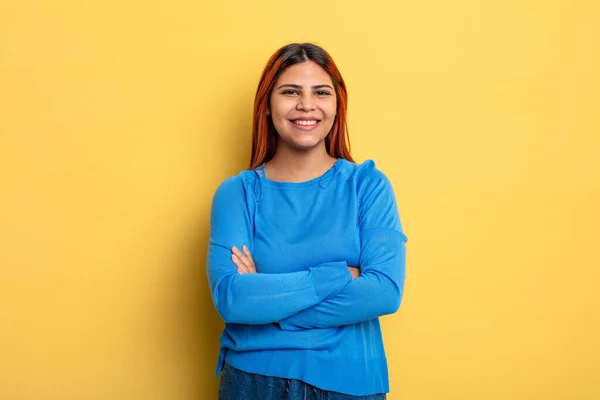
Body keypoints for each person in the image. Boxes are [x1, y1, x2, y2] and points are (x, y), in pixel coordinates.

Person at [207, 43, 407, 400]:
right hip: (253, 381)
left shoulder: (367, 186)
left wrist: (270, 305)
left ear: (336, 104)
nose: (306, 105)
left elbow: (384, 292)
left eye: (321, 92)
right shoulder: (237, 193)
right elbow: (233, 299)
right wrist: (339, 275)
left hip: (349, 382)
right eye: (290, 92)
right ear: (267, 106)